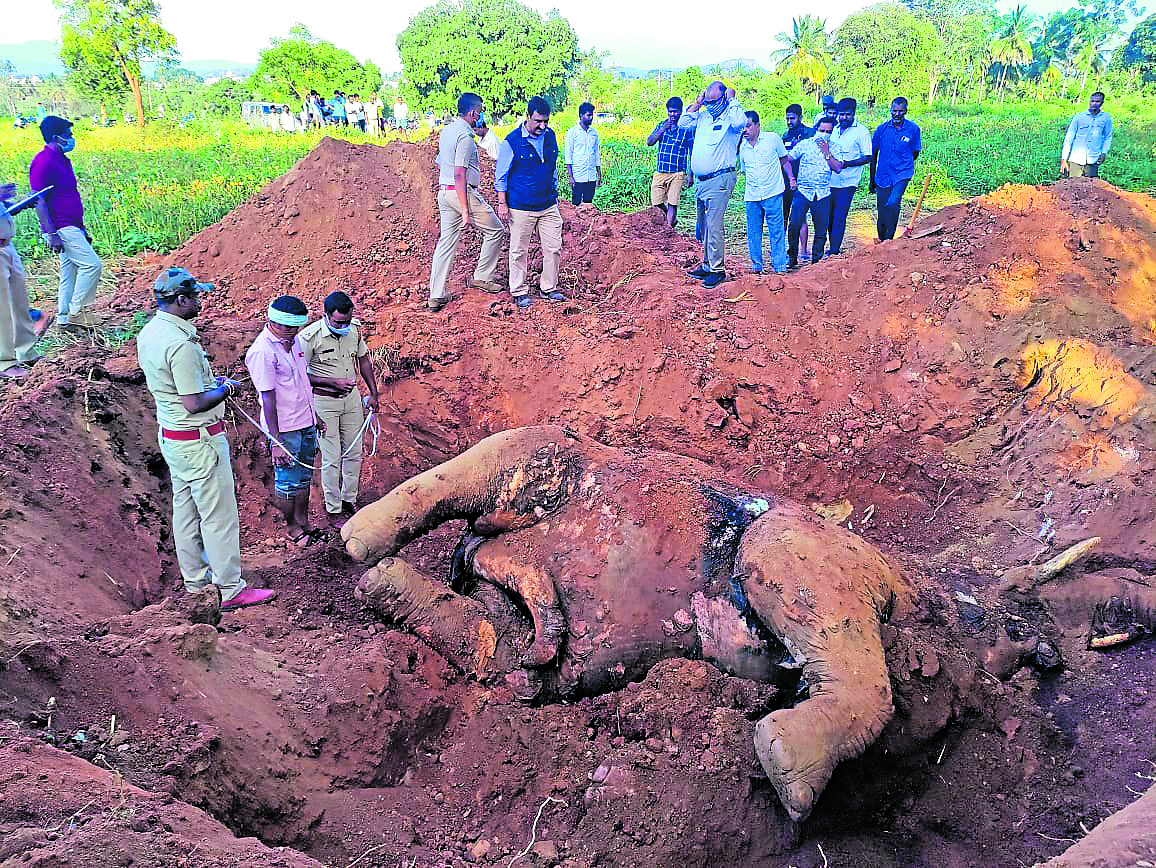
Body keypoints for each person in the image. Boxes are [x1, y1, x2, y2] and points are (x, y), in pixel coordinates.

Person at [137, 267, 276, 610]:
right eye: (195, 296)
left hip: (175, 439)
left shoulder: (151, 332)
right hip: (199, 440)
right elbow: (194, 402)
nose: (200, 301)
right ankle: (230, 588)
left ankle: (195, 583)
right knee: (218, 516)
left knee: (185, 513)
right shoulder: (180, 344)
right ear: (180, 300)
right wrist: (226, 389)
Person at [244, 295, 323, 547]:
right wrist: (276, 441)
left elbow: (303, 381)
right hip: (285, 430)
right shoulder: (262, 352)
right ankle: (292, 528)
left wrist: (315, 416)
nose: (294, 332)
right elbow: (267, 399)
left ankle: (304, 522)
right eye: (289, 327)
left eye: (296, 327)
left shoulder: (295, 341)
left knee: (304, 478)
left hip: (306, 423)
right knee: (288, 482)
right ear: (274, 322)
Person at [299, 291, 380, 528]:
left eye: (347, 321)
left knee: (354, 452)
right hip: (324, 403)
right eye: (338, 322)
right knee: (332, 457)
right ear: (325, 315)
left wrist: (373, 393)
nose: (343, 326)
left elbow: (363, 360)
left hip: (351, 400)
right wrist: (331, 383)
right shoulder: (309, 337)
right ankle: (333, 509)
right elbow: (301, 376)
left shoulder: (353, 329)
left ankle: (349, 500)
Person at [428, 93, 506, 312]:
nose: (481, 116)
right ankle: (482, 276)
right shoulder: (464, 136)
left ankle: (436, 295)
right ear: (473, 113)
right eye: (480, 112)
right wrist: (465, 209)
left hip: (444, 192)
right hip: (460, 192)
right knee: (496, 230)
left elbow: (440, 164)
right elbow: (460, 173)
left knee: (446, 242)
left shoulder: (448, 131)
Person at [29, 116, 103, 331]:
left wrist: (81, 228)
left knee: (69, 272)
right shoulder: (43, 161)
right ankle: (77, 311)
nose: (71, 139)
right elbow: (38, 200)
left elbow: (67, 194)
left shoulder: (62, 159)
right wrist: (51, 233)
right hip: (61, 227)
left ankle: (63, 318)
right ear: (56, 137)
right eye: (68, 135)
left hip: (72, 224)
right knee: (92, 265)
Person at [495, 96, 565, 309]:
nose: (542, 126)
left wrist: (555, 190)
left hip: (548, 204)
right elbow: (501, 176)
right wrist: (502, 204)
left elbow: (552, 167)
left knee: (553, 247)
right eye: (538, 122)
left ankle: (549, 287)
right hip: (521, 206)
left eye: (546, 121)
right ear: (528, 117)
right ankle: (518, 291)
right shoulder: (512, 142)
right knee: (518, 251)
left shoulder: (550, 136)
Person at [678, 80, 747, 288]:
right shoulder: (703, 115)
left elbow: (740, 123)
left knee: (714, 225)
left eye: (714, 100)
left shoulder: (731, 117)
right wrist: (698, 103)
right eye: (707, 100)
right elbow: (682, 123)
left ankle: (717, 269)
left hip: (720, 178)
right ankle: (707, 265)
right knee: (705, 226)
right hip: (701, 182)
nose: (710, 104)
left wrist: (732, 100)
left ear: (725, 97)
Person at [739, 111, 795, 275]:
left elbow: (784, 160)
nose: (745, 130)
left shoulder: (772, 139)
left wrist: (791, 178)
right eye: (743, 127)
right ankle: (757, 267)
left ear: (757, 125)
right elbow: (744, 170)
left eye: (748, 126)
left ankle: (779, 267)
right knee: (753, 233)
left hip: (773, 193)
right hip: (752, 196)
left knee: (776, 231)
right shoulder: (742, 147)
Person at [786, 117, 844, 268]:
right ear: (816, 129)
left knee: (821, 229)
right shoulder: (805, 144)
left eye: (828, 132)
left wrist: (827, 153)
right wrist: (791, 178)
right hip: (803, 191)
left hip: (823, 193)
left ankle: (816, 263)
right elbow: (788, 159)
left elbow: (838, 168)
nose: (824, 134)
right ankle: (792, 257)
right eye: (822, 130)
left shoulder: (835, 147)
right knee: (794, 224)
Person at [0, 184, 43, 380]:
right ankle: (4, 362)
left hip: (8, 245)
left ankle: (25, 351)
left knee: (19, 303)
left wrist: (16, 205)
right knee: (3, 307)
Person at [869, 96, 922, 242]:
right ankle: (882, 238)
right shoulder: (882, 129)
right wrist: (871, 179)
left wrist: (902, 163)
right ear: (890, 110)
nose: (897, 114)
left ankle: (889, 238)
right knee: (883, 208)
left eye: (900, 111)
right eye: (894, 111)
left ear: (905, 111)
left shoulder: (913, 129)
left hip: (902, 173)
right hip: (883, 174)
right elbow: (873, 154)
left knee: (893, 202)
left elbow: (915, 152)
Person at [827, 97, 873, 256]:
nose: (843, 118)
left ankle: (833, 252)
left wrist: (846, 164)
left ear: (854, 113)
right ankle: (832, 246)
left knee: (840, 216)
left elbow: (868, 157)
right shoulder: (833, 129)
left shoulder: (861, 132)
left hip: (849, 181)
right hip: (830, 180)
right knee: (829, 217)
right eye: (841, 114)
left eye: (847, 114)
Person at [646, 96, 695, 229]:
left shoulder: (686, 129)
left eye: (676, 111)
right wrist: (662, 129)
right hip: (661, 170)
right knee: (656, 203)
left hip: (677, 173)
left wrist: (691, 174)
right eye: (671, 111)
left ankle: (668, 230)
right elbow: (650, 142)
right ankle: (671, 220)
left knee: (673, 202)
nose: (673, 114)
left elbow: (692, 152)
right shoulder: (661, 125)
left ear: (681, 111)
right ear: (667, 111)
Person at [782, 104, 813, 263]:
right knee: (786, 217)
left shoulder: (810, 135)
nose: (789, 121)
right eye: (787, 118)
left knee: (800, 218)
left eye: (792, 118)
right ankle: (788, 251)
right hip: (787, 182)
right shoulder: (784, 137)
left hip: (805, 181)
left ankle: (804, 250)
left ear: (800, 117)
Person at [1061, 91, 1112, 179]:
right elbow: (1069, 138)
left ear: (1102, 103)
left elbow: (1108, 136)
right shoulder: (1079, 117)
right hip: (1076, 158)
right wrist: (1064, 159)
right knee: (1073, 185)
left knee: (1091, 186)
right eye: (1092, 101)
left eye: (1097, 102)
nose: (1094, 104)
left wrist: (1104, 152)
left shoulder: (1105, 118)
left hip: (1093, 158)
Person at [565, 102, 602, 205]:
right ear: (581, 116)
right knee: (576, 203)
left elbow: (596, 155)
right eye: (588, 115)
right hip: (578, 176)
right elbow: (568, 155)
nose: (591, 118)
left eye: (592, 115)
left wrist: (599, 175)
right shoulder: (572, 132)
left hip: (591, 176)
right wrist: (571, 176)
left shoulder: (593, 133)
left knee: (588, 204)